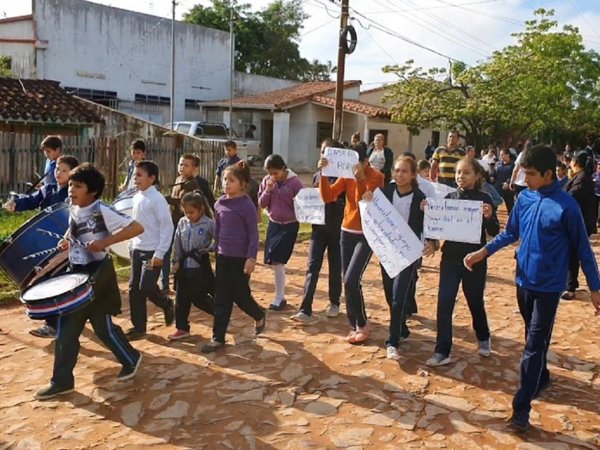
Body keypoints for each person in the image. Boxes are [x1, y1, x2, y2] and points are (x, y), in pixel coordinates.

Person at [464, 145, 600, 433]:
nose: (524, 179)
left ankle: (521, 410)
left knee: (534, 345)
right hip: (522, 281)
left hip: (549, 287)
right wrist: (482, 252)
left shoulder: (567, 207)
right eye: (523, 173)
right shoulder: (525, 198)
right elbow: (511, 232)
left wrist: (595, 288)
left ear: (549, 174)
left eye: (531, 174)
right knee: (531, 337)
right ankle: (541, 376)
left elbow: (583, 251)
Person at [34, 163, 144, 400]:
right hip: (77, 274)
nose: (72, 189)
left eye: (78, 186)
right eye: (71, 184)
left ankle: (131, 359)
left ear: (92, 191)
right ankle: (62, 380)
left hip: (98, 274)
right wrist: (66, 240)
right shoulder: (74, 207)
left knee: (101, 327)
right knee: (68, 329)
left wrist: (105, 243)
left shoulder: (102, 209)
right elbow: (74, 230)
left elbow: (137, 227)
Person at [426, 157, 499, 367]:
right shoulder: (449, 198)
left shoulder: (484, 198)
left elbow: (494, 232)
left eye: (466, 173)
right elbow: (436, 229)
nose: (461, 177)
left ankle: (483, 336)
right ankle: (442, 350)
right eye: (458, 172)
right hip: (450, 259)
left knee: (474, 299)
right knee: (444, 303)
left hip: (474, 259)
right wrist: (429, 213)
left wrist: (489, 215)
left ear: (477, 176)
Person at [363, 156, 437, 360]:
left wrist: (432, 241)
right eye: (396, 170)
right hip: (388, 252)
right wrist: (368, 200)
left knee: (398, 297)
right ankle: (402, 327)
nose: (399, 174)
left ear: (413, 174)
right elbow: (372, 214)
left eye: (404, 171)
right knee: (389, 294)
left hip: (409, 253)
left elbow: (430, 224)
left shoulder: (420, 198)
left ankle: (392, 341)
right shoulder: (385, 193)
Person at [3, 155, 79, 339]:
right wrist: (16, 204)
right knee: (50, 282)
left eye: (64, 170)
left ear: (74, 173)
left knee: (57, 283)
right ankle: (59, 321)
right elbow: (31, 199)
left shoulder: (74, 193)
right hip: (48, 248)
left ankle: (55, 324)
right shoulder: (49, 190)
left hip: (68, 246)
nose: (58, 173)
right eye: (57, 169)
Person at [319, 146, 384, 344]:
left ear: (366, 162)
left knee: (351, 279)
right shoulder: (346, 176)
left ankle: (362, 324)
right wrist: (323, 174)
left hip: (367, 234)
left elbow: (364, 201)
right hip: (347, 232)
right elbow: (328, 196)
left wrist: (361, 179)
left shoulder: (377, 177)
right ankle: (355, 324)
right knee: (347, 280)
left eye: (357, 163)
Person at [201, 162, 267, 353]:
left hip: (240, 259)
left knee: (241, 296)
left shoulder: (247, 205)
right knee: (221, 297)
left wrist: (251, 258)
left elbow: (253, 235)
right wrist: (214, 246)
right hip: (223, 257)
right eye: (224, 180)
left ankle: (258, 314)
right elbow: (219, 229)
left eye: (231, 180)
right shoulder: (219, 203)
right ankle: (218, 337)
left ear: (242, 184)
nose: (226, 184)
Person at [290, 139, 344, 324]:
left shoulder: (344, 178)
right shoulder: (316, 176)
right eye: (322, 152)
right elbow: (314, 199)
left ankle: (334, 302)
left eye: (328, 152)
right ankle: (305, 309)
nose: (324, 156)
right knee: (312, 267)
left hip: (338, 229)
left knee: (335, 268)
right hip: (318, 229)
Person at [126, 160, 175, 340]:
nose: (135, 179)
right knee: (134, 289)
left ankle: (167, 303)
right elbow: (136, 224)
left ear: (152, 178)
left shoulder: (157, 199)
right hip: (137, 250)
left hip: (152, 252)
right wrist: (131, 244)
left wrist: (160, 253)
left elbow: (167, 227)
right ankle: (139, 327)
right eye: (134, 175)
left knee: (146, 287)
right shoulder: (136, 197)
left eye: (139, 175)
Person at [162, 154, 215, 293]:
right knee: (169, 251)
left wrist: (165, 199)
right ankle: (166, 283)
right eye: (181, 164)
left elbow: (182, 202)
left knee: (189, 255)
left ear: (194, 169)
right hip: (174, 222)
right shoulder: (178, 180)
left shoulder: (193, 184)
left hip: (189, 224)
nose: (182, 167)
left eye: (186, 165)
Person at [258, 154, 304, 310]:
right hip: (274, 224)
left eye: (276, 173)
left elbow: (303, 203)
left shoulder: (295, 183)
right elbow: (262, 204)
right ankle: (280, 295)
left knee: (278, 260)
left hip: (290, 225)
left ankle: (279, 297)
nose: (273, 176)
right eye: (270, 173)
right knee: (273, 260)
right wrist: (268, 191)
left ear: (284, 169)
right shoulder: (267, 182)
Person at [168, 191, 216, 340]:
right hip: (183, 266)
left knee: (198, 297)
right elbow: (177, 242)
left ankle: (220, 312)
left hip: (199, 266)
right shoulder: (182, 222)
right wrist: (175, 261)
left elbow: (219, 239)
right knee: (181, 299)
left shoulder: (209, 223)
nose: (189, 215)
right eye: (186, 212)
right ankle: (182, 328)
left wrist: (210, 248)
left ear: (201, 209)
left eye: (192, 212)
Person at [562, 150, 598, 300]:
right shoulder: (580, 177)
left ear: (576, 163)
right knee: (573, 254)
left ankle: (570, 288)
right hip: (579, 222)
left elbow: (571, 198)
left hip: (580, 224)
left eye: (572, 161)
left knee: (573, 255)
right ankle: (571, 284)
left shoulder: (582, 179)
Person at [493, 148, 516, 214]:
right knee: (494, 204)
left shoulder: (513, 165)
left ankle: (511, 220)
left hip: (507, 188)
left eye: (503, 155)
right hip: (497, 187)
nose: (501, 157)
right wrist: (492, 176)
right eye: (500, 155)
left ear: (508, 155)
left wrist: (508, 183)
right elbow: (494, 172)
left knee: (510, 205)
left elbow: (513, 175)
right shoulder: (498, 164)